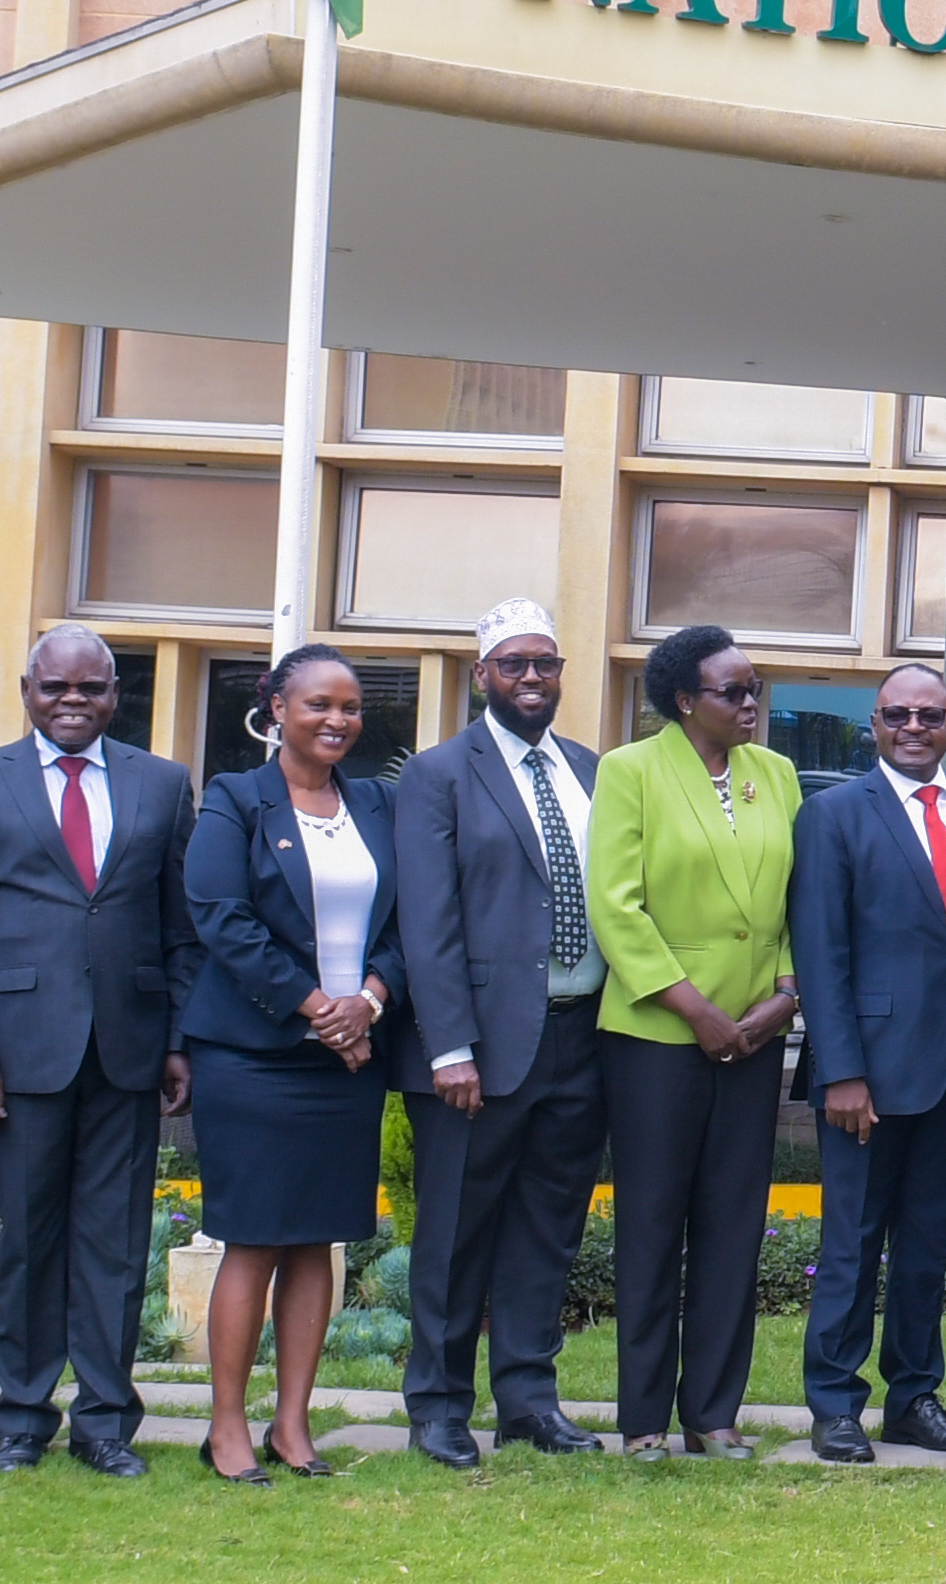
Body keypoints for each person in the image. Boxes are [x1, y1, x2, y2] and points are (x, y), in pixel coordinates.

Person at [0, 625, 194, 1477]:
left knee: (115, 1245)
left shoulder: (161, 784)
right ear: (26, 690)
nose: (72, 702)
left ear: (116, 693)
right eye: (55, 689)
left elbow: (179, 929)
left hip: (128, 1050)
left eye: (91, 689)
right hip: (17, 1055)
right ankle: (20, 1420)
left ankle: (107, 1422)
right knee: (29, 1242)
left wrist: (179, 1042)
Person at [391, 602, 611, 1468]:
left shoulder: (592, 772)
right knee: (453, 1231)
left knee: (547, 1229)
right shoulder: (441, 773)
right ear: (482, 674)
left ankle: (528, 1400)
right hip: (476, 1048)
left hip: (580, 1036)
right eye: (514, 664)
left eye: (546, 664)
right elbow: (428, 917)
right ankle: (439, 1406)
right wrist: (448, 1045)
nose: (532, 679)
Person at [182, 647, 405, 1483]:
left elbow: (413, 917)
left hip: (349, 1060)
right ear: (276, 708)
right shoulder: (236, 800)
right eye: (318, 704)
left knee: (319, 1240)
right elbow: (220, 918)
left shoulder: (378, 805)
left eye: (349, 706)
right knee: (255, 1239)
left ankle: (292, 1425)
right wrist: (318, 1007)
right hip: (256, 1054)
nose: (338, 720)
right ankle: (228, 1427)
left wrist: (370, 1002)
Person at [588, 624, 800, 1459]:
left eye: (756, 691)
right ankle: (643, 1421)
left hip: (755, 1035)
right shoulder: (629, 771)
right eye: (733, 692)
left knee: (732, 1225)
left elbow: (790, 901)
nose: (751, 705)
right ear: (685, 700)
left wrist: (783, 996)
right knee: (650, 1223)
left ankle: (713, 1413)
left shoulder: (776, 776)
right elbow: (617, 906)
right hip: (656, 1035)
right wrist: (696, 1010)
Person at [787, 659, 946, 1461]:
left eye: (930, 716)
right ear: (872, 726)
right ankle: (836, 1402)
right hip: (867, 1076)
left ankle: (913, 1396)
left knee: (924, 1244)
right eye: (897, 715)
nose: (913, 728)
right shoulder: (834, 817)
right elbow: (820, 951)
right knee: (851, 1242)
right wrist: (840, 1069)